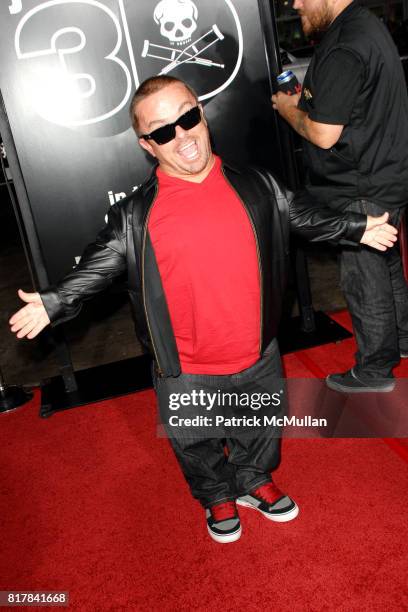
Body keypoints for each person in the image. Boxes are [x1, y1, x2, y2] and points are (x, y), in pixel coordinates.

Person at [9, 76, 397, 543]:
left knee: (260, 425)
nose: (183, 136)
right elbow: (99, 264)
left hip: (257, 350)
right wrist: (56, 301)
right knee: (195, 443)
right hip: (185, 367)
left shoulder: (256, 185)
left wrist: (355, 227)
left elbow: (304, 214)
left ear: (201, 113)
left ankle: (254, 480)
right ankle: (215, 492)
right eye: (163, 131)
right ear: (147, 145)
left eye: (188, 118)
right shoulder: (135, 216)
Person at [272, 0, 408, 393]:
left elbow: (323, 133)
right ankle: (402, 339)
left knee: (363, 276)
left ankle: (374, 371)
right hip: (383, 174)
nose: (294, 3)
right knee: (384, 265)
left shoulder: (347, 42)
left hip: (360, 185)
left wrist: (287, 110)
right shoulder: (363, 24)